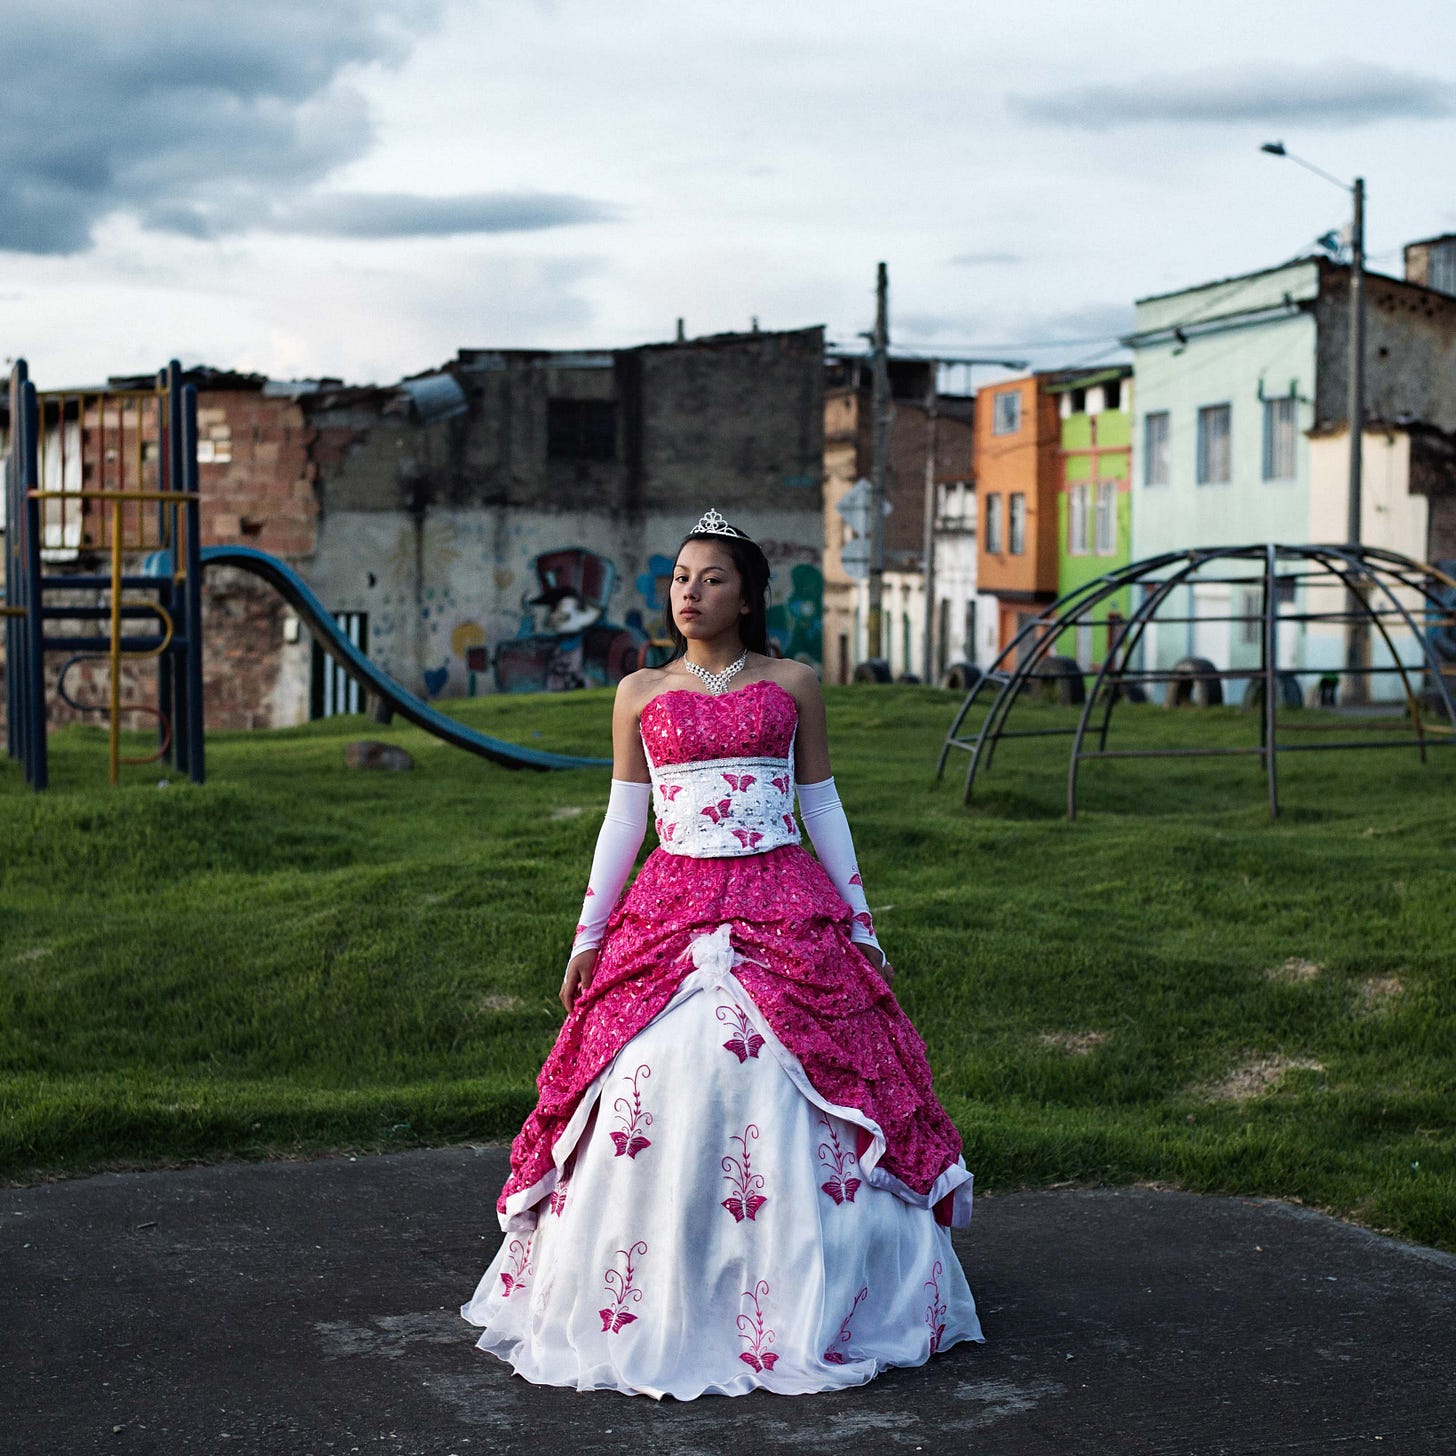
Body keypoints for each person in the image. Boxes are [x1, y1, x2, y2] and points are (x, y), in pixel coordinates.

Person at [461, 509, 981, 1398]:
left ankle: (809, 1296)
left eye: (711, 579)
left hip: (784, 900)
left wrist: (859, 922)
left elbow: (820, 804)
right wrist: (589, 936)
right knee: (645, 1078)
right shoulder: (639, 691)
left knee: (807, 1082)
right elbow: (626, 817)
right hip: (672, 905)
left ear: (747, 595)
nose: (690, 595)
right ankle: (663, 1290)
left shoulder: (795, 681)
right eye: (678, 579)